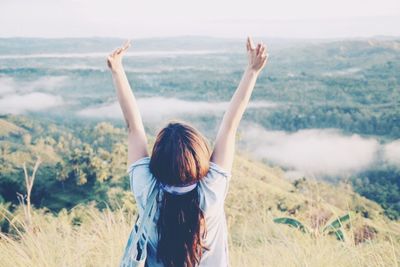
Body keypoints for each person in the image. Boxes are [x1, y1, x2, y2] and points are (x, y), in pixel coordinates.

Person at [107, 36, 268, 267]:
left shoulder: (147, 190)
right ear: (200, 160)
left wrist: (117, 71)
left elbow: (134, 127)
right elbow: (230, 127)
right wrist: (252, 71)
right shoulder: (210, 194)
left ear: (157, 164)